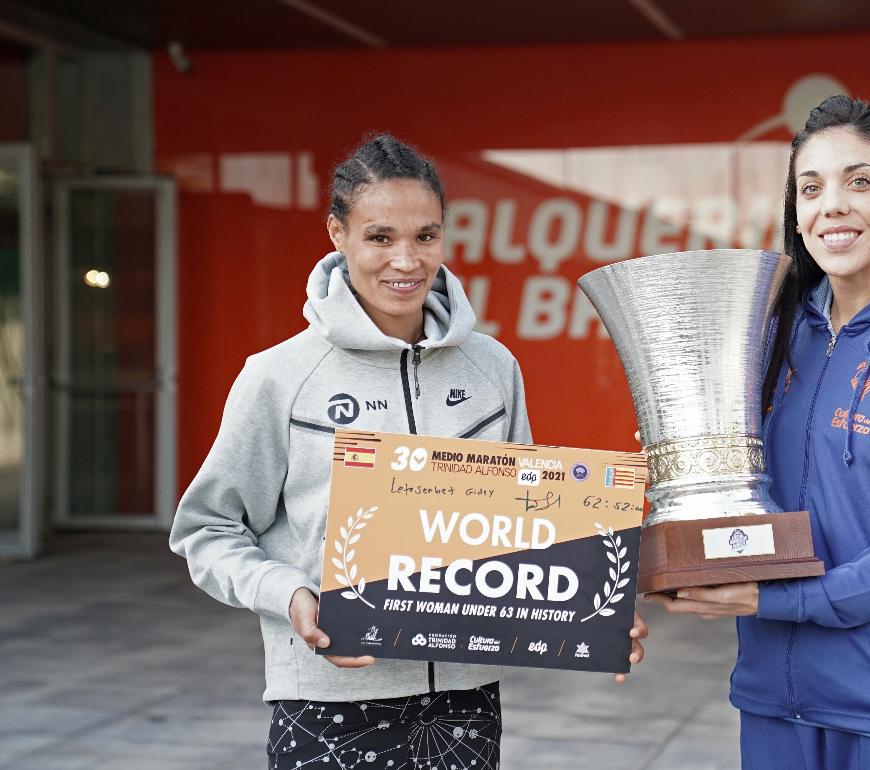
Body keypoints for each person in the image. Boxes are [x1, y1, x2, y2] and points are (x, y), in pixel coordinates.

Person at [169, 134, 647, 770]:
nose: (406, 260)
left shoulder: (492, 366)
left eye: (426, 235)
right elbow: (207, 530)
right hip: (329, 700)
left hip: (464, 699)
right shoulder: (280, 377)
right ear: (338, 234)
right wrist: (290, 595)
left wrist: (595, 607)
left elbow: (529, 521)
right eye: (380, 236)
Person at [649, 96, 870, 769]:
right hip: (775, 709)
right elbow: (721, 498)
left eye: (859, 181)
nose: (832, 205)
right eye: (809, 189)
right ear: (796, 215)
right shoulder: (766, 343)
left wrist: (776, 597)